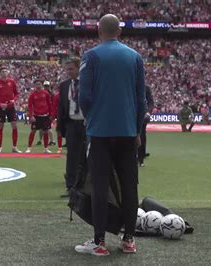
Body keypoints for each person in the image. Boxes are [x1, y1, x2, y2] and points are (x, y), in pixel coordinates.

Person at [76, 14, 146, 255]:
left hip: (100, 133)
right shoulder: (135, 57)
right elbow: (141, 101)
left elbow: (84, 97)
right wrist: (136, 130)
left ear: (99, 31)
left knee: (100, 186)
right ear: (120, 32)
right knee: (129, 186)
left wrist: (91, 118)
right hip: (128, 132)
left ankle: (99, 241)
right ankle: (128, 240)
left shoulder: (91, 56)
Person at [57, 57, 85, 197]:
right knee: (72, 157)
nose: (68, 72)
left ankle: (84, 187)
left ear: (79, 68)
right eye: (67, 69)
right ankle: (71, 187)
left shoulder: (87, 83)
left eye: (71, 69)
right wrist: (60, 127)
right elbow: (61, 107)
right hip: (71, 124)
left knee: (86, 156)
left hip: (86, 124)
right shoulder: (64, 85)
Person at [0, 67, 21, 153]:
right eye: (2, 71)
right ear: (0, 73)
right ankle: (0, 147)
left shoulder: (12, 82)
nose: (4, 72)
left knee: (14, 126)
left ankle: (14, 147)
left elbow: (16, 93)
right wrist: (0, 104)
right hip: (1, 107)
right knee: (0, 127)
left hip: (10, 107)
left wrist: (14, 100)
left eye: (5, 71)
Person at [25, 80, 53, 154]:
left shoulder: (46, 93)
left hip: (45, 115)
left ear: (42, 85)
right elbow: (30, 106)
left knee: (46, 132)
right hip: (36, 116)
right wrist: (31, 116)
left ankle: (46, 148)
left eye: (39, 84)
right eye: (37, 84)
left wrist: (50, 115)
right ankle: (29, 148)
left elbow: (49, 104)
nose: (38, 86)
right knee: (33, 131)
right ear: (35, 86)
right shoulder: (32, 95)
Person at [138, 85, 154, 167]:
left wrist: (148, 112)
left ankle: (141, 159)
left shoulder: (146, 88)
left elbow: (150, 102)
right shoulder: (129, 85)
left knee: (141, 135)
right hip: (131, 114)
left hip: (142, 115)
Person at [37, 81, 56, 146]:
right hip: (41, 112)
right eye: (45, 86)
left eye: (47, 86)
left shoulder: (51, 94)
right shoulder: (44, 93)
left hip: (48, 112)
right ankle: (40, 140)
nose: (46, 87)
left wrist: (52, 113)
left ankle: (52, 141)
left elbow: (53, 104)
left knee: (48, 127)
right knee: (41, 128)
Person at [52, 86, 63, 154]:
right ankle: (60, 148)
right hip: (59, 116)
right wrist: (53, 118)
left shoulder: (69, 95)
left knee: (69, 133)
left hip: (67, 116)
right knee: (59, 132)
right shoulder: (57, 96)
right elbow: (54, 107)